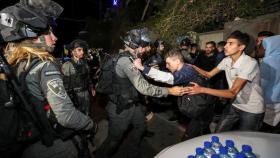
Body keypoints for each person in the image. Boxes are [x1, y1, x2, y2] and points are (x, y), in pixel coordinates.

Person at [0, 1, 95, 158]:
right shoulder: (43, 66)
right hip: (51, 143)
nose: (55, 37)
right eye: (49, 33)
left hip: (28, 142)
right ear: (34, 37)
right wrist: (91, 125)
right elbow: (66, 116)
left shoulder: (15, 65)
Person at [95, 28, 185, 158]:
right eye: (143, 46)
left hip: (133, 104)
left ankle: (133, 150)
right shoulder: (126, 61)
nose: (145, 49)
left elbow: (132, 79)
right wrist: (170, 90)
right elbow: (143, 87)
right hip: (120, 109)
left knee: (141, 126)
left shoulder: (132, 58)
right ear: (133, 45)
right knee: (114, 141)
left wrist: (146, 71)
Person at [187, 30, 265, 132]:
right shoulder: (226, 60)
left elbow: (232, 92)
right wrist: (193, 67)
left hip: (252, 109)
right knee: (219, 132)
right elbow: (209, 74)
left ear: (241, 47)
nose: (225, 46)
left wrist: (201, 89)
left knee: (246, 140)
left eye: (230, 44)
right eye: (226, 43)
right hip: (234, 104)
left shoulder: (249, 63)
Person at [134, 48, 214, 139]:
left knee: (188, 137)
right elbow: (168, 74)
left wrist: (142, 68)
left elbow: (169, 78)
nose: (167, 66)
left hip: (202, 111)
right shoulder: (183, 69)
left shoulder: (188, 71)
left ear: (177, 61)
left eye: (168, 63)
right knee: (204, 131)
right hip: (200, 108)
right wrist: (157, 70)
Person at [62, 39, 95, 115]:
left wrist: (91, 88)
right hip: (75, 96)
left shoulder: (84, 63)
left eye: (82, 50)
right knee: (78, 115)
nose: (82, 52)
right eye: (79, 50)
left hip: (86, 93)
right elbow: (65, 85)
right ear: (73, 52)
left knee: (87, 112)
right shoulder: (67, 65)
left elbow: (87, 77)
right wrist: (68, 99)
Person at [258, 35, 280, 133]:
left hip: (270, 99)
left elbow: (262, 83)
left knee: (267, 127)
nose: (261, 48)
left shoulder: (268, 61)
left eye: (263, 46)